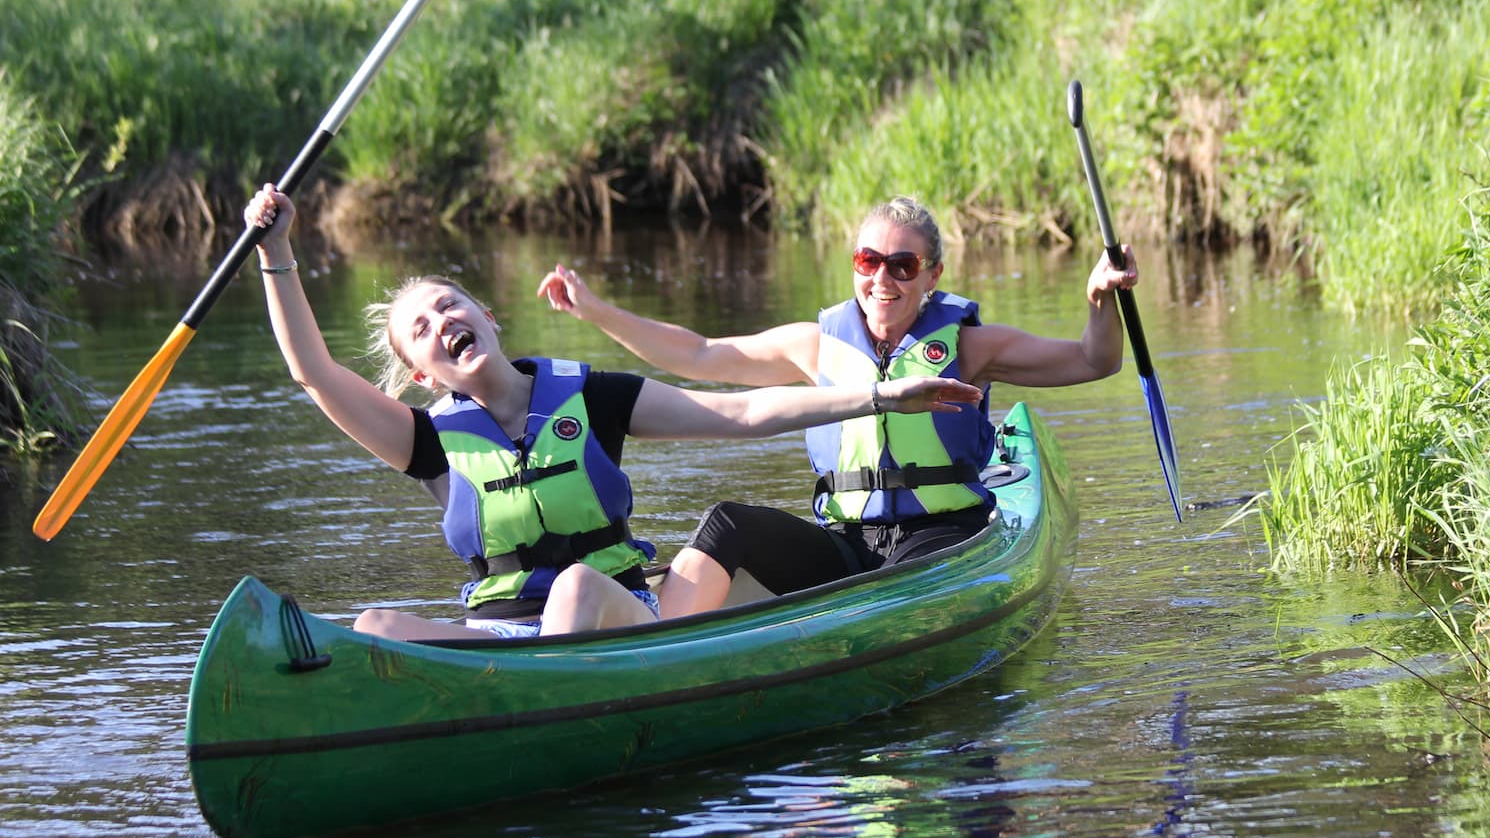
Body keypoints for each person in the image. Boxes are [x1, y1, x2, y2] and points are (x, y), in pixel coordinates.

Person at [242, 185, 982, 642]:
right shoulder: (427, 442)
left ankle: (560, 720)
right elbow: (315, 374)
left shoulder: (592, 399)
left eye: (449, 306)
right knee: (375, 627)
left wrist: (882, 393)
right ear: (417, 371)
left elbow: (744, 411)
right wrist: (277, 253)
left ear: (488, 316)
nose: (441, 323)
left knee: (572, 586)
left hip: (611, 630)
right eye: (421, 330)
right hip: (503, 641)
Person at [538, 195, 1138, 613]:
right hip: (848, 542)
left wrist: (1098, 301)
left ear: (932, 275)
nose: (883, 279)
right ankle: (658, 649)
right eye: (868, 261)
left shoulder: (971, 346)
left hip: (942, 535)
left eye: (902, 265)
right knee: (727, 523)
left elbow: (1093, 360)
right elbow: (700, 354)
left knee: (900, 585)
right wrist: (596, 311)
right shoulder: (817, 344)